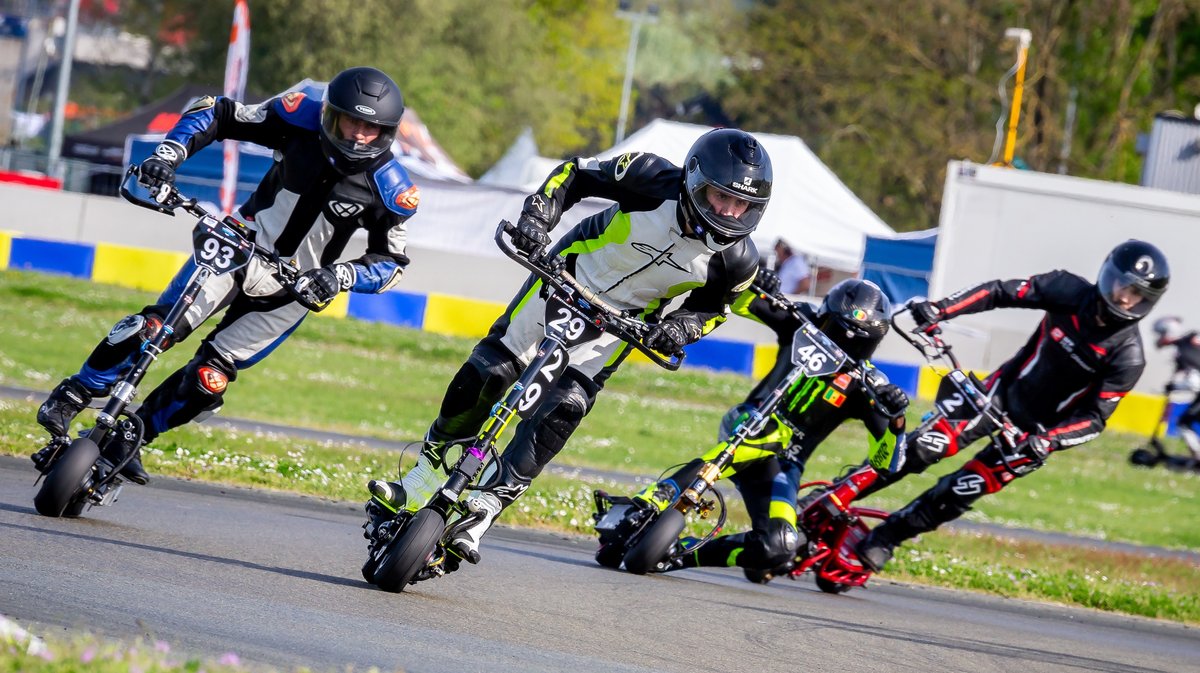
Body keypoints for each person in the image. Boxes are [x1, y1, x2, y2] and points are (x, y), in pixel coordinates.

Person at [367, 128, 772, 568]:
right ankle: (427, 469)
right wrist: (537, 221)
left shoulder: (740, 262)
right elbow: (574, 175)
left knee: (566, 408)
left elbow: (712, 309)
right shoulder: (648, 174)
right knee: (492, 368)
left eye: (742, 204)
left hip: (624, 322)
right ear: (693, 181)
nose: (730, 212)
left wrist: (678, 329)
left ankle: (486, 504)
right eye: (719, 197)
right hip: (566, 274)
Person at [34, 66, 419, 484]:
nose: (359, 135)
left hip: (297, 289)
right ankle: (77, 391)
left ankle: (131, 435)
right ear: (330, 113)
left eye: (371, 127)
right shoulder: (296, 115)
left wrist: (339, 276)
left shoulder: (392, 188)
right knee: (155, 329)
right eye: (351, 120)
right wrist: (168, 156)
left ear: (388, 132)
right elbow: (216, 113)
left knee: (209, 380)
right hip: (240, 245)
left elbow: (391, 262)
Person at [856, 239, 1170, 572]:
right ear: (1108, 275)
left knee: (958, 491)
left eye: (1137, 294)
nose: (1124, 297)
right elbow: (999, 292)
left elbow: (1094, 419)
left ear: (1147, 301)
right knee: (919, 450)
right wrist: (942, 308)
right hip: (997, 395)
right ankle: (837, 496)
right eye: (1123, 285)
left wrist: (1049, 441)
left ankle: (885, 539)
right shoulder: (1065, 288)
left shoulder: (1128, 357)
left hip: (1031, 438)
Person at [620, 278, 909, 573]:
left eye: (859, 339)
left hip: (786, 465)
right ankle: (652, 500)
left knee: (780, 545)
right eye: (839, 331)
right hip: (749, 419)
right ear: (824, 317)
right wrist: (758, 279)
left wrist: (896, 421)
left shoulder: (871, 387)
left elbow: (888, 462)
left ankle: (682, 555)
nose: (844, 344)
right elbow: (740, 299)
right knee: (767, 434)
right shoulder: (802, 321)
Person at [1151, 316, 1200, 463]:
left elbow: (1195, 383)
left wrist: (1173, 387)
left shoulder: (1185, 348)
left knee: (1185, 423)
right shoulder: (1190, 343)